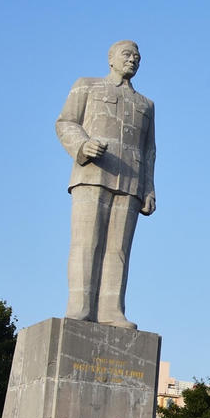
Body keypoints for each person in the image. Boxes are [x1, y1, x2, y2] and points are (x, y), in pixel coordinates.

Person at [56, 40, 157, 329]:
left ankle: (112, 310)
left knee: (118, 250)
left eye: (137, 57)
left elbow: (149, 151)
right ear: (111, 59)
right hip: (92, 174)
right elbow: (65, 122)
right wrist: (83, 145)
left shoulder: (146, 105)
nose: (133, 60)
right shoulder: (87, 85)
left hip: (131, 181)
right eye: (127, 54)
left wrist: (149, 188)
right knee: (86, 243)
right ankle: (80, 308)